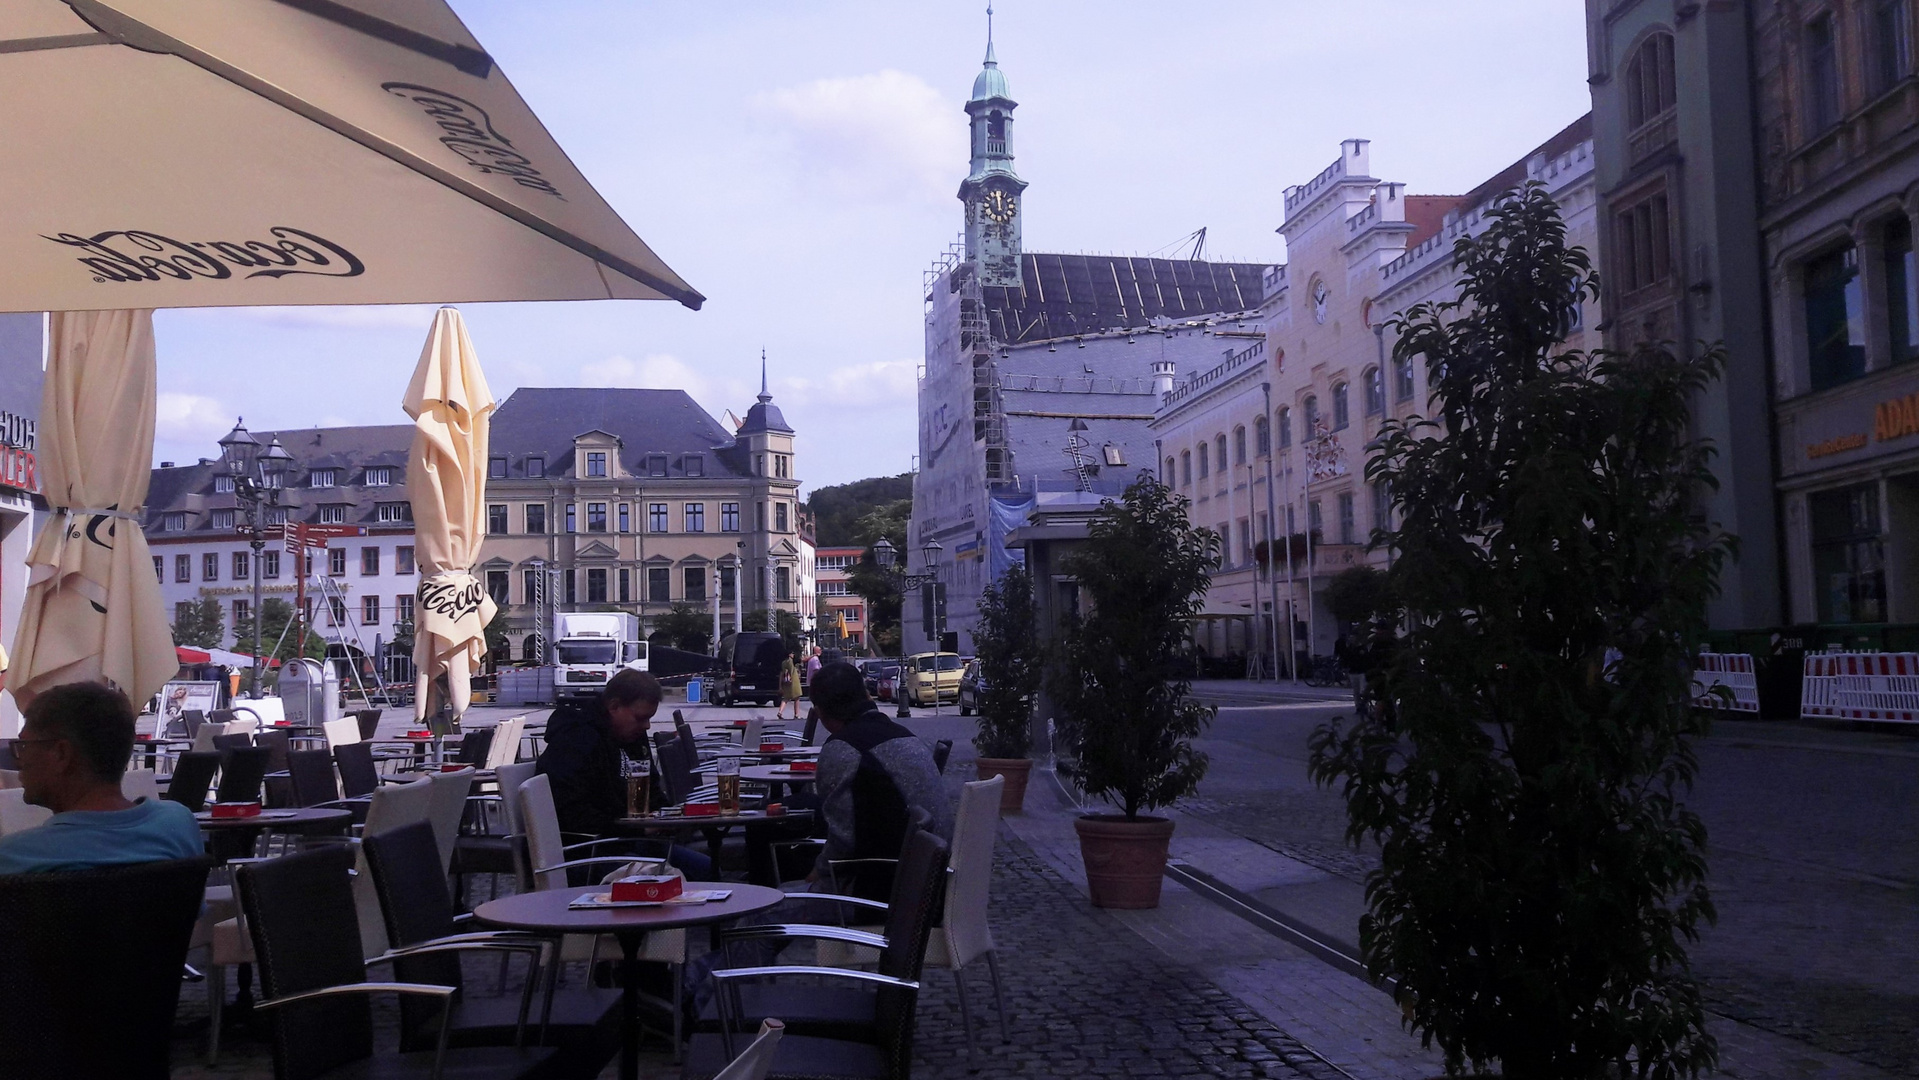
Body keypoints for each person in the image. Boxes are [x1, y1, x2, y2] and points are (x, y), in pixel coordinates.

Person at [0, 682, 204, 874]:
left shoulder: (15, 857)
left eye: (24, 746)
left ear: (61, 754)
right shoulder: (178, 825)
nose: (19, 759)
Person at [535, 669, 710, 877]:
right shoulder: (576, 739)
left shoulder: (631, 736)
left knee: (707, 869)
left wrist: (667, 817)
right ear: (614, 706)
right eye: (640, 718)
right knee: (678, 877)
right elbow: (571, 814)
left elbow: (652, 790)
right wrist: (637, 829)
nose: (646, 726)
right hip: (588, 852)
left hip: (628, 843)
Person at [807, 661, 953, 899]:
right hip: (930, 883)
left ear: (821, 713)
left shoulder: (844, 749)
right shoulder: (907, 738)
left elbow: (842, 842)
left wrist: (818, 870)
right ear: (867, 695)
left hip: (885, 893)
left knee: (759, 917)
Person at [778, 651, 803, 721]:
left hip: (785, 682)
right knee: (797, 697)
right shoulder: (790, 661)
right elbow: (792, 671)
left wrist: (780, 685)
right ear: (790, 654)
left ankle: (780, 711)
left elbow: (782, 673)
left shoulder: (783, 662)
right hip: (793, 681)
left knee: (785, 698)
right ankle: (796, 714)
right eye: (792, 653)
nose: (793, 655)